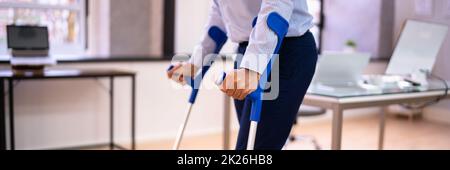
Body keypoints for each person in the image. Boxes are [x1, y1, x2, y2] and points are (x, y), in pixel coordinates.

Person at [167, 0, 318, 150]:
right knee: (253, 143)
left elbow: (277, 6)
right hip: (247, 52)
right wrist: (194, 64)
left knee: (251, 148)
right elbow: (218, 17)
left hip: (285, 49)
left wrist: (253, 66)